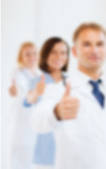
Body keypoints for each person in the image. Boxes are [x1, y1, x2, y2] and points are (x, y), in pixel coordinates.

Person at [30, 23, 106, 169]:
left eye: (99, 44)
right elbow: (37, 121)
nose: (94, 50)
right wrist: (57, 112)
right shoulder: (59, 89)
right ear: (75, 51)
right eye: (86, 44)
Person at [24, 37, 69, 169]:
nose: (58, 57)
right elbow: (28, 100)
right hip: (45, 154)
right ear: (45, 54)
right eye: (53, 52)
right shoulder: (39, 81)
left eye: (62, 53)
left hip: (69, 152)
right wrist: (36, 93)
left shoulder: (71, 81)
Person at [8, 42, 41, 169]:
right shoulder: (17, 73)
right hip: (21, 127)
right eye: (27, 54)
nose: (32, 57)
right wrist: (15, 91)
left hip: (34, 126)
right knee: (20, 162)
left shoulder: (39, 75)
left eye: (34, 54)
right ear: (21, 57)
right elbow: (18, 90)